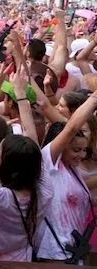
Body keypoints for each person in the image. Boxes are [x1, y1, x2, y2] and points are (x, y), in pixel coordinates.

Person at [37, 87, 97, 262]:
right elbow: (70, 129)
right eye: (76, 150)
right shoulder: (48, 164)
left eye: (84, 150)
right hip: (52, 253)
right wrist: (94, 99)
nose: (82, 155)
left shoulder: (74, 171)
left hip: (73, 253)